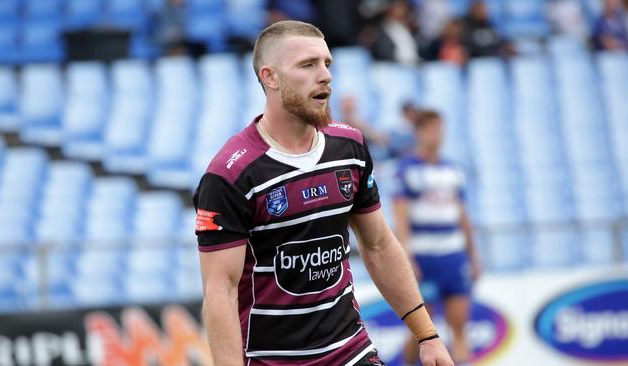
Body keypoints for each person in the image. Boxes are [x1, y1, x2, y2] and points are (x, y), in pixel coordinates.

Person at [193, 20, 454, 366]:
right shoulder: (231, 174)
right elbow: (219, 293)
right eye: (308, 65)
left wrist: (428, 336)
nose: (326, 75)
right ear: (270, 77)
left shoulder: (349, 146)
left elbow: (378, 245)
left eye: (327, 63)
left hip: (351, 352)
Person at [392, 110, 481, 365]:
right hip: (424, 257)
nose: (437, 135)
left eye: (440, 129)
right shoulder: (406, 170)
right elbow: (401, 220)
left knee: (460, 324)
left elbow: (463, 216)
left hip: (453, 256)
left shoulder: (453, 169)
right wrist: (407, 260)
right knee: (423, 331)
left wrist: (474, 256)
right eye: (431, 129)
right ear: (419, 132)